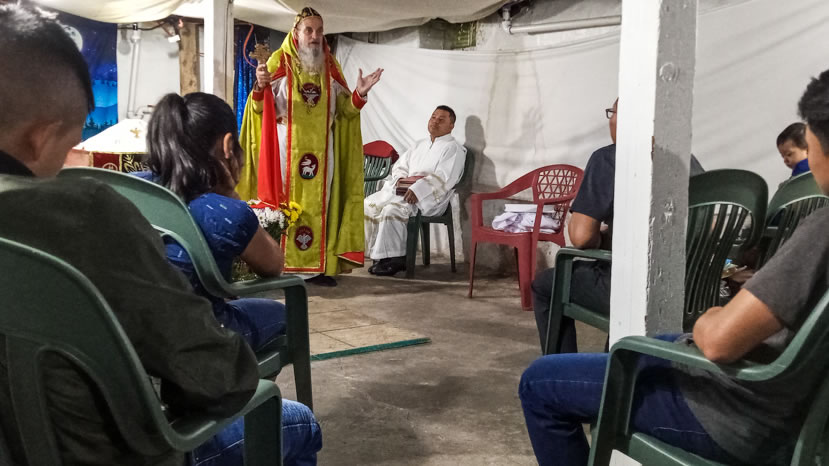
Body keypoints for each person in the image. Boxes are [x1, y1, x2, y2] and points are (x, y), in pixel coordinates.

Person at [0, 6, 320, 465]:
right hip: (118, 452)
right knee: (298, 421)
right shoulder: (86, 214)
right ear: (38, 136)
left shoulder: (128, 192)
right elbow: (217, 378)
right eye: (68, 144)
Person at [519, 68, 829, 466]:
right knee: (654, 344)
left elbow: (580, 239)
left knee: (539, 376)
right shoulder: (690, 161)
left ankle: (573, 378)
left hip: (739, 412)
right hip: (707, 297)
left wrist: (711, 319)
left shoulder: (821, 231)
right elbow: (718, 232)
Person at [532, 98, 705, 353]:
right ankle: (614, 361)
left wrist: (600, 238)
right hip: (691, 290)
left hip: (631, 289)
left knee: (545, 285)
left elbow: (581, 237)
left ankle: (562, 368)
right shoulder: (686, 159)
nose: (611, 120)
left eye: (613, 113)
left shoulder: (609, 158)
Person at [238, 7, 384, 287]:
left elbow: (345, 112)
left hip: (322, 153)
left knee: (320, 207)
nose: (315, 36)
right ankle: (280, 267)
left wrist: (359, 94)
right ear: (296, 33)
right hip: (286, 151)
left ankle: (314, 270)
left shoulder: (330, 66)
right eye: (309, 30)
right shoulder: (278, 62)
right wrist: (259, 88)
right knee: (284, 208)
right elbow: (257, 110)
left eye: (319, 31)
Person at [136, 92, 287, 352]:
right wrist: (232, 197)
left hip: (130, 333)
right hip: (198, 340)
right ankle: (243, 378)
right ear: (228, 146)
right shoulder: (223, 211)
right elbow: (274, 265)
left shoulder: (132, 186)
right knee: (284, 314)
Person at [364, 105, 467, 276]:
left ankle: (397, 259)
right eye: (433, 117)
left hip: (430, 198)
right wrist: (399, 180)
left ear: (451, 126)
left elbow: (445, 177)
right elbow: (400, 166)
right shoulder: (419, 145)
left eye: (441, 119)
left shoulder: (453, 149)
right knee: (369, 204)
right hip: (405, 190)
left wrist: (418, 190)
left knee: (392, 210)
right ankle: (378, 256)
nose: (435, 122)